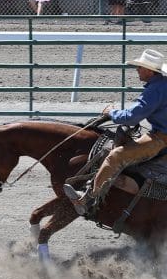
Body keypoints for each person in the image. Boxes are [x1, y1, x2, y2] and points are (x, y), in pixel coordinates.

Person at [64, 49, 167, 216]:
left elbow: (133, 116)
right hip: (161, 133)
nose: (137, 70)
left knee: (115, 156)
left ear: (149, 70)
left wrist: (111, 113)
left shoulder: (155, 89)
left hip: (161, 138)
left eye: (140, 67)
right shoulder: (163, 84)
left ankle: (87, 199)